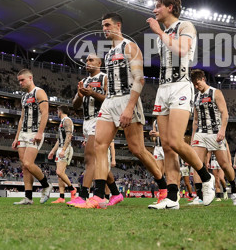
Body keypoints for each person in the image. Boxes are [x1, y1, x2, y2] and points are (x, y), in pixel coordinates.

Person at [75, 13, 167, 209]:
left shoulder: (130, 47)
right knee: (99, 146)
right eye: (102, 25)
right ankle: (99, 196)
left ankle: (163, 188)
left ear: (118, 25)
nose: (104, 29)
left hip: (127, 99)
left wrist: (129, 107)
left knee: (137, 150)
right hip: (110, 101)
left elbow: (139, 79)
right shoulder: (108, 54)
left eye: (107, 25)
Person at [147, 0, 215, 209]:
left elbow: (183, 50)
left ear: (170, 7)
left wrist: (158, 32)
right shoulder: (164, 32)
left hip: (180, 86)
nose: (154, 10)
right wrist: (160, 33)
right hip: (162, 89)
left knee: (176, 141)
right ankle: (173, 198)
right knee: (166, 146)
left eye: (158, 6)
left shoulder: (185, 26)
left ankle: (206, 177)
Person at [69, 53, 124, 208]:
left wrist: (93, 93)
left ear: (99, 63)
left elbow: (111, 99)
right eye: (86, 60)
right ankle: (116, 193)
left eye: (91, 60)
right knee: (99, 163)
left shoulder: (105, 78)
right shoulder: (84, 81)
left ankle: (83, 195)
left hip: (100, 119)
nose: (88, 62)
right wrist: (80, 96)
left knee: (90, 159)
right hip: (87, 122)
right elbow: (75, 105)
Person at [189, 69, 236, 206]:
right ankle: (199, 197)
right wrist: (192, 138)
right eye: (194, 84)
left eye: (197, 83)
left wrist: (222, 130)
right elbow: (195, 120)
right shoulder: (195, 97)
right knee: (196, 165)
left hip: (215, 132)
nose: (196, 86)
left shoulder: (216, 92)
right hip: (200, 133)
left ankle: (234, 191)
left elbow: (225, 113)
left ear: (203, 79)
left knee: (224, 164)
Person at [12, 69, 53, 205]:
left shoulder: (39, 92)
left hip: (34, 132)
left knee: (29, 163)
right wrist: (16, 137)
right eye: (19, 81)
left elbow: (45, 113)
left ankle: (46, 185)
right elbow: (22, 118)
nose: (20, 83)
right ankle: (28, 198)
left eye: (22, 80)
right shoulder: (24, 97)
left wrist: (40, 133)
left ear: (30, 78)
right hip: (23, 133)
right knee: (24, 166)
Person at [48, 105, 77, 203]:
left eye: (57, 110)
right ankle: (61, 197)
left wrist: (64, 150)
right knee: (60, 175)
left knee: (59, 172)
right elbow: (60, 139)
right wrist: (52, 151)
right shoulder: (62, 121)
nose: (57, 112)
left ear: (60, 111)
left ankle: (72, 189)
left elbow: (69, 136)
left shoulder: (67, 120)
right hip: (61, 147)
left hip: (65, 148)